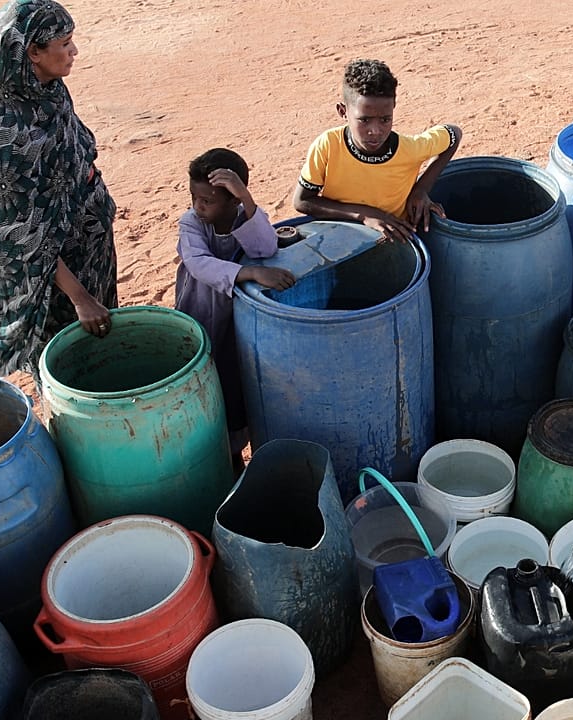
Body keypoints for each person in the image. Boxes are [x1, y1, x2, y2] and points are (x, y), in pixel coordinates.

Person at [0, 0, 116, 381]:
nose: (74, 52)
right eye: (65, 44)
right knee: (69, 368)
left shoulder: (48, 92)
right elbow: (22, 239)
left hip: (87, 251)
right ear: (32, 52)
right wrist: (80, 298)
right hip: (58, 284)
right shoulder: (8, 140)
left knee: (102, 356)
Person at [174, 148, 295, 464]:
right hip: (199, 318)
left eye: (207, 201)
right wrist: (251, 272)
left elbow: (266, 245)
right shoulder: (191, 224)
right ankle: (219, 456)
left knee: (234, 386)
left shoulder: (248, 217)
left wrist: (247, 198)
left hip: (237, 326)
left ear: (233, 200)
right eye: (194, 197)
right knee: (203, 385)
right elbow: (199, 263)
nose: (198, 206)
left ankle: (234, 451)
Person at [292, 59, 462, 242]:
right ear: (343, 111)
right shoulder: (328, 145)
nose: (375, 131)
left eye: (385, 119)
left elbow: (454, 134)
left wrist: (420, 189)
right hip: (338, 239)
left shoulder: (410, 149)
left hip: (392, 243)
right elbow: (302, 201)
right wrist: (365, 215)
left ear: (393, 108)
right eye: (364, 120)